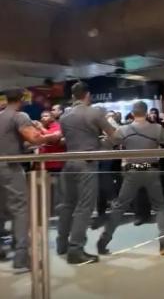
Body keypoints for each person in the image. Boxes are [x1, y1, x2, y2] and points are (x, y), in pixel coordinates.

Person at [97, 101, 164, 256]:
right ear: (147, 113)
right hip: (152, 172)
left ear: (133, 114)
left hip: (132, 173)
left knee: (120, 207)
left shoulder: (124, 129)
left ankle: (103, 240)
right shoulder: (156, 128)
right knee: (160, 207)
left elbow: (108, 144)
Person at [0, 88, 61, 269]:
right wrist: (53, 136)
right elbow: (34, 139)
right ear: (22, 99)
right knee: (20, 209)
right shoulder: (20, 116)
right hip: (10, 168)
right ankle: (21, 255)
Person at [58, 82, 115, 265]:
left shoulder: (64, 116)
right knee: (84, 206)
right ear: (87, 95)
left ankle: (62, 245)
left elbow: (68, 138)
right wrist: (102, 144)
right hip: (87, 163)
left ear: (74, 96)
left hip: (69, 162)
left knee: (67, 205)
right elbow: (114, 134)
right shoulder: (95, 112)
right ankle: (76, 249)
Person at [39, 111, 66, 215]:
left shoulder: (56, 126)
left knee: (57, 191)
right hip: (44, 165)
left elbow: (54, 137)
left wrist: (41, 129)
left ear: (52, 118)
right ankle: (49, 212)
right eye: (42, 116)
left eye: (46, 116)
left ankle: (57, 213)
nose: (43, 118)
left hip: (56, 165)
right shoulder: (41, 128)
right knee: (47, 191)